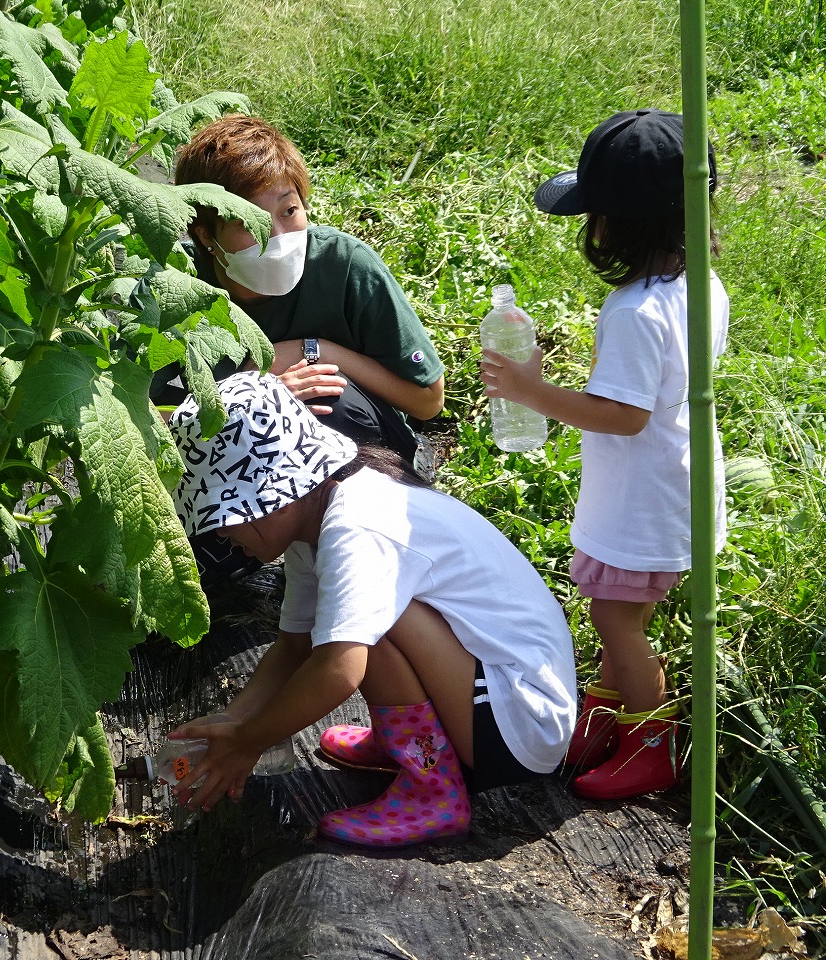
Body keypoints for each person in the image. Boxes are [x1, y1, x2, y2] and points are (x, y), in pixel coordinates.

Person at [164, 372, 577, 848]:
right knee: (345, 618)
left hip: (520, 724)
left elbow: (337, 672)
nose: (220, 534)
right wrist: (237, 721)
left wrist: (249, 742)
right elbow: (294, 645)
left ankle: (431, 788)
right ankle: (405, 740)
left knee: (364, 626)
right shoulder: (315, 520)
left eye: (223, 516)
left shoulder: (357, 526)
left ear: (273, 494)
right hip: (486, 695)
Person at [479, 108, 728, 801]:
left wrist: (531, 390)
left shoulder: (634, 313)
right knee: (627, 613)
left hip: (640, 501)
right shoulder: (701, 283)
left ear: (615, 226)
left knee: (614, 618)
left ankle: (652, 742)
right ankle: (606, 715)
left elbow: (624, 415)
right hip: (677, 486)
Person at [162, 114, 446, 585]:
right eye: (250, 222)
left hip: (360, 444)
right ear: (206, 235)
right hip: (231, 474)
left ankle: (361, 546)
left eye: (289, 211)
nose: (278, 235)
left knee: (328, 398)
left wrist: (317, 350)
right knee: (195, 571)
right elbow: (151, 420)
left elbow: (427, 399)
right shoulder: (175, 284)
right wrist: (261, 397)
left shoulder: (345, 265)